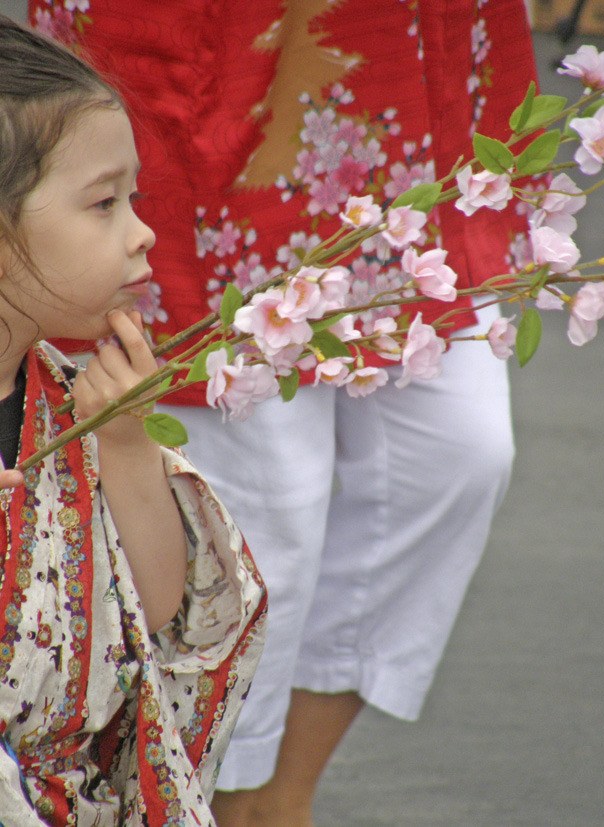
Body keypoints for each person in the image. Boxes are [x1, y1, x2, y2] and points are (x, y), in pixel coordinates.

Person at [27, 1, 538, 824]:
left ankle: (279, 789)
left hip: (398, 59)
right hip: (216, 36)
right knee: (265, 508)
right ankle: (221, 794)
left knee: (461, 455)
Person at [0, 15, 266, 826]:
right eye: (104, 203)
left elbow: (151, 632)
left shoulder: (69, 401)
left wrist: (125, 439)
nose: (143, 232)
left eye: (134, 198)